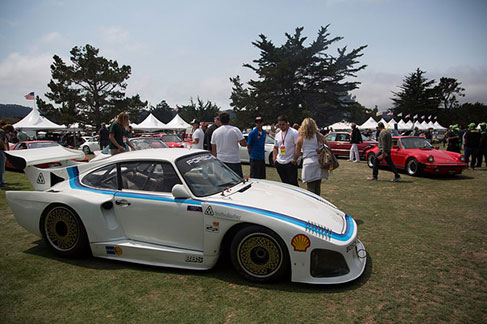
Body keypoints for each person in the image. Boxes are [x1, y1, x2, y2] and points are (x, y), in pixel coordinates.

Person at [294, 117, 328, 195]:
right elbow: (327, 146)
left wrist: (295, 159)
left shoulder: (300, 139)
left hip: (308, 163)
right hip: (318, 162)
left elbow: (297, 153)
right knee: (317, 186)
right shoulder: (319, 136)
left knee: (310, 187)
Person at [211, 112, 247, 177]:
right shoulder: (235, 130)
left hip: (221, 160)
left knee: (223, 181)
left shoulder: (215, 132)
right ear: (229, 120)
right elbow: (244, 144)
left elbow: (214, 149)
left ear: (220, 120)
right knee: (237, 181)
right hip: (234, 159)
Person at [273, 114, 300, 186]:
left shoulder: (294, 133)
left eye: (283, 124)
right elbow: (275, 147)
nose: (281, 126)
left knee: (293, 184)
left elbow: (298, 146)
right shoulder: (278, 134)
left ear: (287, 123)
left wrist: (295, 159)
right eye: (280, 125)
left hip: (290, 162)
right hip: (280, 162)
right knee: (284, 184)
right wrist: (275, 159)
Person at [0, 122, 13, 187]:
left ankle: (2, 180)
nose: (9, 133)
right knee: (1, 167)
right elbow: (1, 141)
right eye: (9, 131)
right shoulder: (2, 132)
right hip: (1, 150)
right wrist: (3, 147)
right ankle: (1, 182)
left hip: (2, 150)